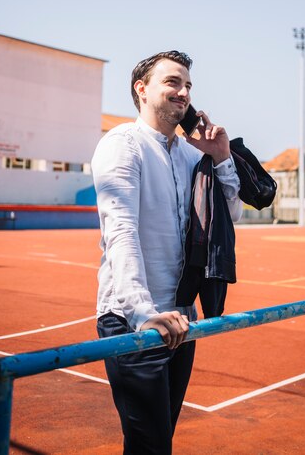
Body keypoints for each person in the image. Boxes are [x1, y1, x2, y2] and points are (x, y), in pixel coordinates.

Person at [91, 50, 242, 454]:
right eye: (173, 82)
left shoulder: (194, 156)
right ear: (142, 89)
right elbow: (120, 231)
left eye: (188, 85)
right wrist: (143, 312)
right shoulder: (122, 145)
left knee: (158, 440)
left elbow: (230, 217)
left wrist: (222, 158)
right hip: (132, 318)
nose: (184, 92)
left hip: (180, 316)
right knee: (150, 443)